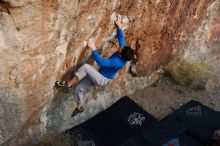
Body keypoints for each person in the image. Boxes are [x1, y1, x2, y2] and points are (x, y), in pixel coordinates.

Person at [56, 15, 135, 117]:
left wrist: (93, 48)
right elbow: (121, 38)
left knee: (85, 67)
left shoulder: (117, 62)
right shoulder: (124, 54)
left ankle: (67, 85)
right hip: (99, 75)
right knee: (78, 88)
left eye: (121, 48)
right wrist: (119, 26)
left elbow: (101, 63)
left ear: (120, 54)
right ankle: (79, 107)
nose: (121, 46)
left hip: (102, 79)